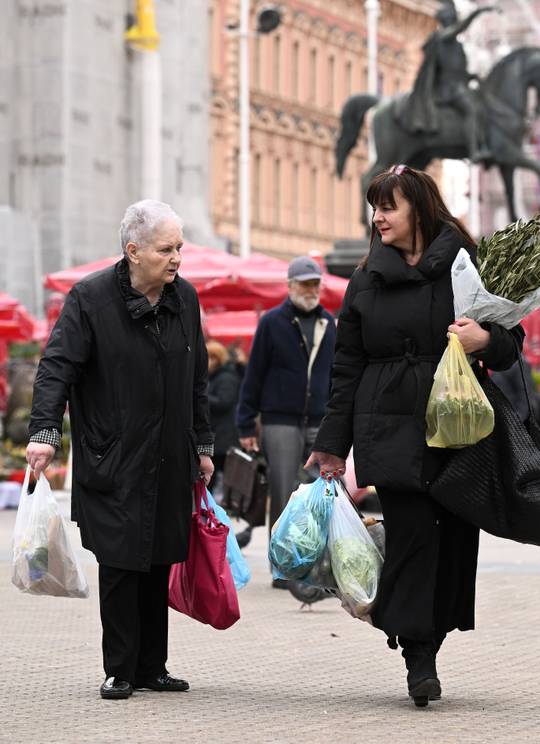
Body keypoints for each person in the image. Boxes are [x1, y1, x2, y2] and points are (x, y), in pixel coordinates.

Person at [305, 165, 523, 706]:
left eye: (388, 206)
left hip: (456, 422)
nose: (377, 216)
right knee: (412, 535)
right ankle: (417, 654)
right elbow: (346, 364)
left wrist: (485, 338)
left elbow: (512, 341)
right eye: (374, 206)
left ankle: (429, 633)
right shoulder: (365, 277)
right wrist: (333, 442)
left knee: (451, 538)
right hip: (388, 422)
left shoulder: (464, 264)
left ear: (418, 210)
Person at [26, 200, 215, 701]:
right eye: (166, 248)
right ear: (133, 251)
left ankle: (153, 666)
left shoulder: (185, 299)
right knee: (120, 562)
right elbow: (56, 367)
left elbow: (198, 378)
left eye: (179, 247)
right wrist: (44, 432)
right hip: (113, 454)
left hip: (170, 454)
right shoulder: (90, 299)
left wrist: (203, 442)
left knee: (158, 559)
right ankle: (120, 668)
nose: (177, 258)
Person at [236, 256, 336, 582]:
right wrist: (245, 423)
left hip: (319, 419)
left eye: (315, 284)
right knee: (282, 492)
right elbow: (254, 375)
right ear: (290, 285)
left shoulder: (329, 324)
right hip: (279, 420)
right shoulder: (271, 323)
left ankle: (313, 567)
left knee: (320, 496)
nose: (311, 290)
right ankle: (282, 567)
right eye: (305, 283)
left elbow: (337, 375)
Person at [396, 0, 495, 162]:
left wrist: (472, 77)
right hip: (448, 90)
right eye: (453, 18)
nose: (454, 20)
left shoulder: (456, 45)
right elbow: (460, 29)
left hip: (459, 86)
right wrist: (479, 11)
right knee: (471, 109)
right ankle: (474, 150)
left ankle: (483, 144)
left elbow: (457, 71)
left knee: (483, 104)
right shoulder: (442, 37)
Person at [205, 339, 242, 499]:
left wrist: (201, 396)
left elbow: (224, 402)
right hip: (219, 434)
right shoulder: (214, 377)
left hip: (224, 436)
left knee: (219, 476)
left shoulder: (226, 377)